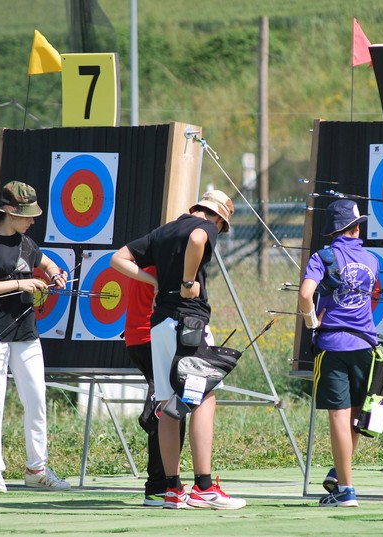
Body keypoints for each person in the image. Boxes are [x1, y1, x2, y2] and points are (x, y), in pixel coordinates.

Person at [110, 189, 246, 510]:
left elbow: (117, 259)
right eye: (221, 226)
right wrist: (187, 282)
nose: (218, 232)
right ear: (217, 216)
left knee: (168, 402)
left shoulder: (164, 230)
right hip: (189, 322)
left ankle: (172, 489)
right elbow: (199, 239)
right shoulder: (205, 225)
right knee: (203, 396)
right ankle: (203, 487)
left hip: (159, 325)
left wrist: (152, 281)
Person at [0, 180, 71, 494]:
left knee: (36, 400)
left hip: (26, 335)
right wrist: (20, 285)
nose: (32, 219)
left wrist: (54, 273)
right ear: (8, 211)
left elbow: (44, 261)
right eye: (26, 214)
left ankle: (37, 469)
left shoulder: (26, 243)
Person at [298, 198, 380, 507]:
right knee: (357, 415)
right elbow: (373, 295)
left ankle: (346, 490)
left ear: (333, 231)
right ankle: (341, 472)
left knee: (338, 414)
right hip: (366, 344)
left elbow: (306, 293)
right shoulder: (372, 260)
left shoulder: (324, 256)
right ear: (356, 228)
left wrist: (311, 320)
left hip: (332, 345)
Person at [123, 265, 187, 507]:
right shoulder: (167, 257)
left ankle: (162, 484)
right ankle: (160, 486)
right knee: (170, 410)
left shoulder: (147, 253)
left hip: (137, 337)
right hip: (154, 336)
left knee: (169, 406)